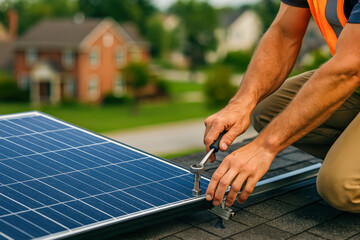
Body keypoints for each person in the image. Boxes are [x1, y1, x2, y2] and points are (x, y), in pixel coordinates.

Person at [203, 0, 360, 213]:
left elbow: (349, 68)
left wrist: (265, 146)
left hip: (353, 69)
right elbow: (285, 33)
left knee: (341, 187)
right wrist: (242, 102)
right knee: (269, 112)